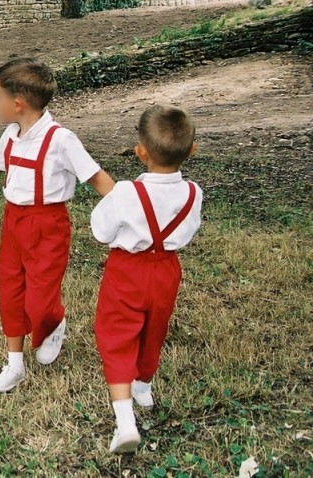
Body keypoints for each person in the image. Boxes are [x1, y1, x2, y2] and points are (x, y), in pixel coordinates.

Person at [0, 58, 114, 391]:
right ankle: (14, 364)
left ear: (18, 103)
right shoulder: (11, 134)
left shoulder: (60, 140)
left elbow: (97, 179)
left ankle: (53, 321)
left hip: (47, 225)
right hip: (14, 221)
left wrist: (128, 210)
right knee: (10, 291)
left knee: (40, 298)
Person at [90, 105, 203, 453]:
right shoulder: (193, 193)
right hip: (167, 270)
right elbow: (189, 230)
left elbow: (100, 230)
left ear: (140, 152)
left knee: (116, 334)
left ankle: (125, 423)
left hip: (128, 269)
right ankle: (143, 386)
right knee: (155, 326)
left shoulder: (125, 192)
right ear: (191, 151)